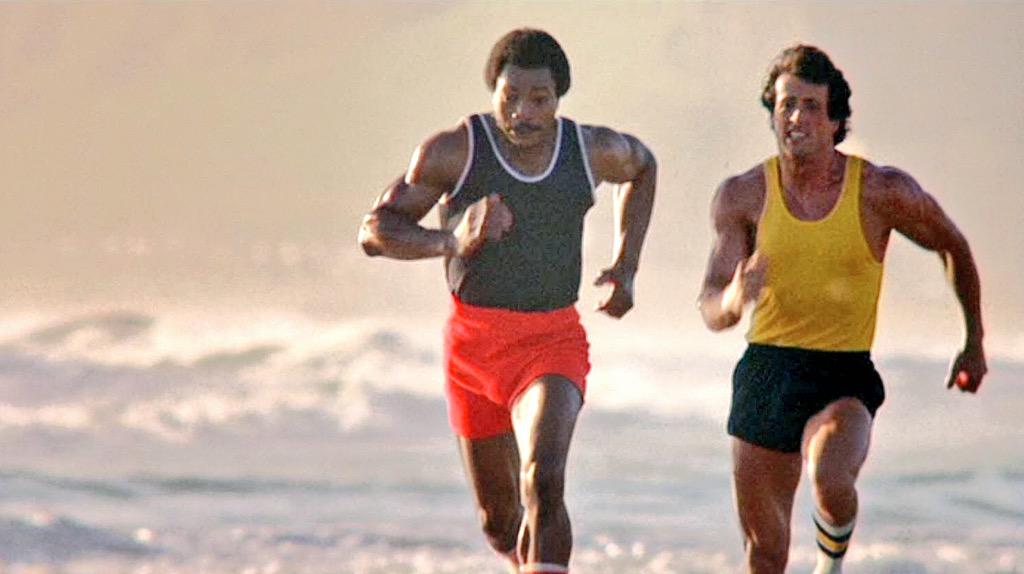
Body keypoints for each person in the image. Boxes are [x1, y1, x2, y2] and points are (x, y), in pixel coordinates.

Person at [358, 28, 656, 574]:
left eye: (538, 99)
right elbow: (375, 231)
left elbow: (642, 166)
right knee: (499, 522)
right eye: (509, 97)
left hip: (552, 343)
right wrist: (452, 240)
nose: (522, 112)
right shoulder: (454, 151)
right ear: (492, 91)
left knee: (543, 477)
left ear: (559, 97)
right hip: (472, 347)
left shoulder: (587, 150)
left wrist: (626, 266)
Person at [697, 44, 986, 573]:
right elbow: (711, 305)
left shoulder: (881, 190)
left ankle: (828, 567)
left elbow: (953, 245)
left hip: (843, 372)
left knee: (831, 476)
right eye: (786, 106)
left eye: (810, 106)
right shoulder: (742, 195)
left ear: (836, 120)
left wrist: (973, 342)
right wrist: (736, 297)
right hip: (766, 370)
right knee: (763, 555)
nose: (796, 118)